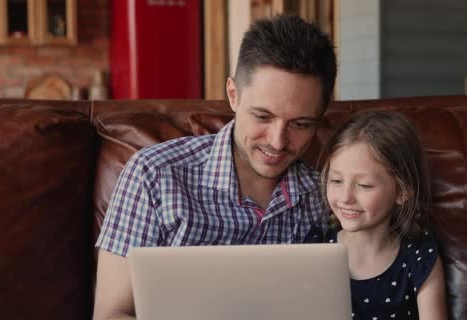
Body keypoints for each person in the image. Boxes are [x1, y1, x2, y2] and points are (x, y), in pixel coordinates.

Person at [93, 15, 337, 320]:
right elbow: (110, 314)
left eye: (300, 124)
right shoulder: (154, 175)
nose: (277, 142)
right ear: (233, 95)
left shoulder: (326, 195)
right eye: (262, 116)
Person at [320, 110, 447, 320]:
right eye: (336, 181)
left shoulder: (419, 255)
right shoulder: (316, 245)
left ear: (402, 191)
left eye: (364, 185)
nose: (345, 197)